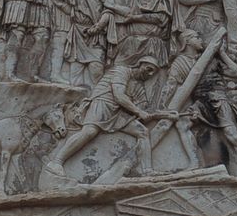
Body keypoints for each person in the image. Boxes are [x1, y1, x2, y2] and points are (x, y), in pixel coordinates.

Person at [43, 58, 176, 180]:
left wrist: (165, 115)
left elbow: (145, 111)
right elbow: (119, 95)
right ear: (139, 64)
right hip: (102, 103)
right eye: (149, 69)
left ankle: (147, 171)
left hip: (119, 112)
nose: (150, 74)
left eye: (153, 73)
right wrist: (139, 111)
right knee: (89, 132)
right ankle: (56, 162)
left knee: (143, 132)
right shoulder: (121, 71)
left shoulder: (138, 86)